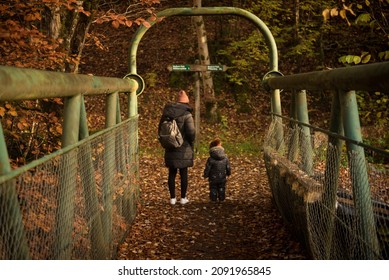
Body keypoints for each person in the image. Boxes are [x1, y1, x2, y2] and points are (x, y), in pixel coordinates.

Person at [158, 90, 196, 205]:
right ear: (186, 103)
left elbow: (160, 130)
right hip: (184, 148)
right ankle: (183, 198)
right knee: (183, 173)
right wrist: (191, 142)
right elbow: (191, 133)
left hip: (170, 146)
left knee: (172, 173)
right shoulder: (187, 115)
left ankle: (172, 199)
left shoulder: (167, 113)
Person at [203, 138, 231, 202]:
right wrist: (229, 173)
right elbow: (228, 166)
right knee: (222, 187)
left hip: (213, 177)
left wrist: (205, 175)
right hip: (222, 176)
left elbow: (208, 168)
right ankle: (221, 199)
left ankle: (213, 199)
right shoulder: (225, 157)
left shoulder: (210, 158)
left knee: (213, 188)